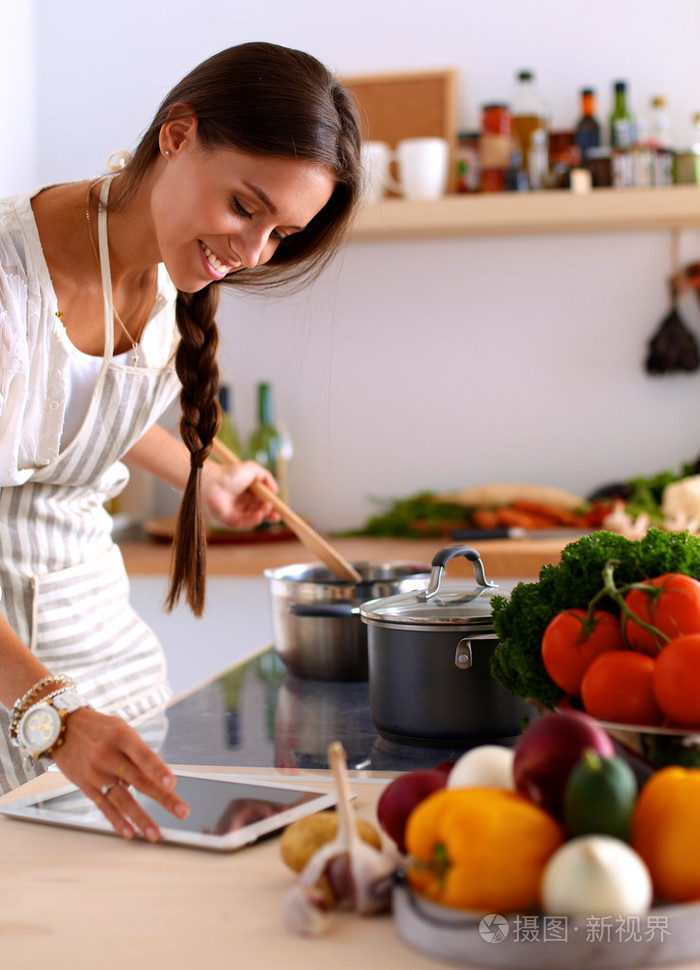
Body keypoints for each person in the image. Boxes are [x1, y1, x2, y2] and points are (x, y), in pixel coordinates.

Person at [0, 42, 362, 841]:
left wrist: (202, 478)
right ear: (176, 134)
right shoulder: (11, 282)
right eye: (244, 207)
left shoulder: (168, 270)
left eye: (280, 233)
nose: (250, 254)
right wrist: (50, 716)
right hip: (18, 683)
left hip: (102, 652)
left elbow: (72, 412)